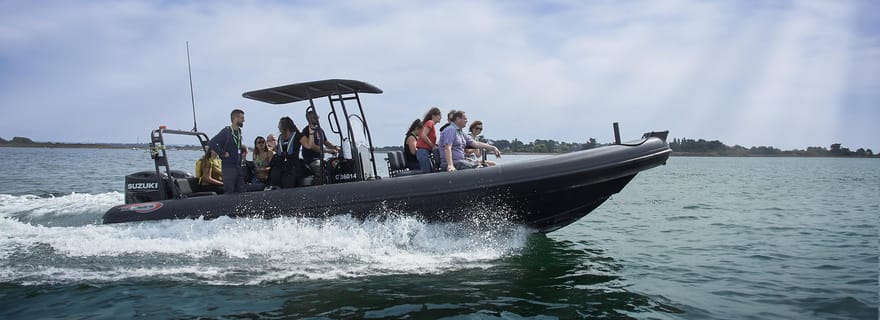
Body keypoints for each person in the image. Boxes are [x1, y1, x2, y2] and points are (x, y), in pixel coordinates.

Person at [269, 116, 316, 188]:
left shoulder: (298, 135)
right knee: (275, 179)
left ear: (285, 126)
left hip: (292, 166)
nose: (278, 127)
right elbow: (280, 150)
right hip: (280, 165)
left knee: (288, 181)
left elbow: (309, 146)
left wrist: (311, 133)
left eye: (279, 125)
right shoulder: (280, 137)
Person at [209, 109, 246, 194]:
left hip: (238, 167)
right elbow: (212, 142)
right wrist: (223, 153)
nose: (244, 120)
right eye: (242, 118)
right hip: (229, 167)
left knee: (242, 190)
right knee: (230, 191)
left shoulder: (239, 132)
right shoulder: (226, 131)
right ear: (235, 118)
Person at [301, 110, 341, 185]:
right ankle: (317, 188)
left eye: (317, 116)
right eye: (314, 117)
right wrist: (329, 151)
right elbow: (312, 146)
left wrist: (335, 147)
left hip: (321, 158)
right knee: (320, 169)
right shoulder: (306, 131)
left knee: (334, 165)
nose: (318, 117)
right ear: (309, 118)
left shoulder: (320, 130)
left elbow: (325, 142)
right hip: (312, 160)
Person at [415, 107, 442, 173]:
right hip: (423, 152)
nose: (440, 117)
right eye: (439, 115)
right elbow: (424, 135)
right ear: (433, 116)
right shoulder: (430, 122)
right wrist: (432, 146)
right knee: (426, 172)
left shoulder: (430, 124)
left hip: (425, 152)